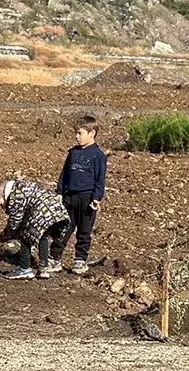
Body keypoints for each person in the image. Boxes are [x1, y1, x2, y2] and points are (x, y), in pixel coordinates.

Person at [54, 115, 107, 275]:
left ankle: (80, 260)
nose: (77, 136)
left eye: (80, 133)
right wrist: (60, 192)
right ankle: (54, 258)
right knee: (63, 228)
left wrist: (96, 198)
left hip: (87, 197)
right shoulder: (73, 153)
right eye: (76, 133)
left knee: (84, 231)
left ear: (92, 133)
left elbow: (100, 179)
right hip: (70, 196)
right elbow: (65, 174)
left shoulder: (98, 155)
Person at [0, 179, 69, 280]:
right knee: (42, 235)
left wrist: (4, 236)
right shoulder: (19, 186)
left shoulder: (15, 196)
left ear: (2, 194)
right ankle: (44, 268)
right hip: (54, 210)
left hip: (42, 211)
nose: (1, 207)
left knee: (25, 234)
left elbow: (15, 222)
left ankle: (24, 269)